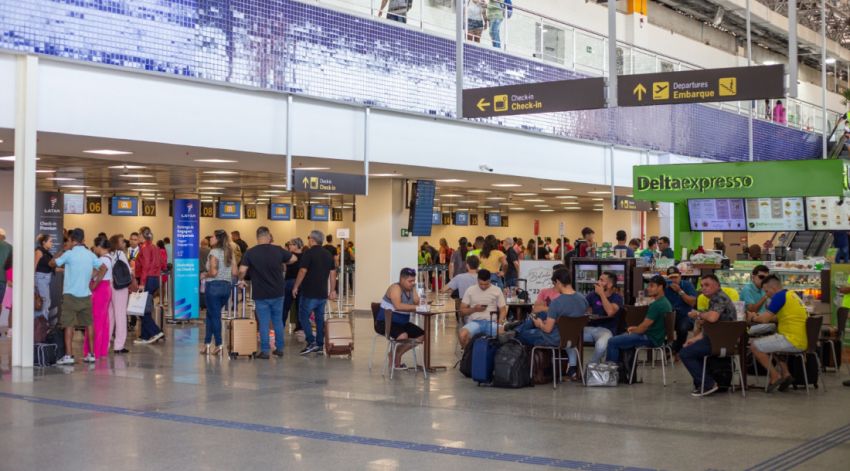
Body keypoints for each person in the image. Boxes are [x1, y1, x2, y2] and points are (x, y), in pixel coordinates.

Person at [511, 268, 588, 378]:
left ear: (558, 282)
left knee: (522, 334)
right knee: (534, 322)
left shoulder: (556, 303)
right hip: (573, 339)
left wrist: (539, 324)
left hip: (554, 339)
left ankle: (523, 371)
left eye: (554, 284)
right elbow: (573, 317)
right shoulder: (582, 299)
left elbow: (547, 329)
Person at [237, 227, 296, 359]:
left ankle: (264, 350)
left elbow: (242, 270)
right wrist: (281, 260)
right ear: (269, 236)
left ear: (257, 237)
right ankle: (279, 348)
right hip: (278, 292)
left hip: (260, 293)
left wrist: (241, 279)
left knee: (263, 322)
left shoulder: (250, 252)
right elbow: (293, 259)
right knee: (278, 322)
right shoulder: (278, 249)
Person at [50, 228, 104, 365]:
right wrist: (95, 283)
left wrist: (62, 249)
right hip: (86, 295)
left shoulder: (69, 254)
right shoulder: (90, 254)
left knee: (69, 325)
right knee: (89, 324)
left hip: (70, 295)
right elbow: (103, 268)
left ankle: (68, 356)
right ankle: (91, 354)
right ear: (84, 240)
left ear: (72, 240)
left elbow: (51, 263)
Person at [678, 274, 738, 397]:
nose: (704, 288)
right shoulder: (715, 299)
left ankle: (708, 383)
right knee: (690, 348)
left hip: (720, 342)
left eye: (707, 285)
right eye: (702, 286)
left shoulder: (719, 298)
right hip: (719, 339)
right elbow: (713, 327)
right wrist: (695, 338)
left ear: (717, 285)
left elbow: (712, 318)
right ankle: (703, 382)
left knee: (685, 354)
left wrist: (698, 314)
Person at [749, 275, 809, 392]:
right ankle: (786, 374)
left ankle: (775, 376)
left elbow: (764, 320)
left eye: (766, 291)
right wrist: (762, 317)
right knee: (771, 342)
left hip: (792, 340)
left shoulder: (779, 297)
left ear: (773, 288)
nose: (766, 295)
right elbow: (777, 318)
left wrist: (752, 318)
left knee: (754, 346)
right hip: (801, 338)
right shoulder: (791, 294)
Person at [605, 275, 672, 364]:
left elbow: (643, 328)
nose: (648, 288)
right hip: (657, 337)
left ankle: (610, 373)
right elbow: (645, 326)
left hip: (650, 338)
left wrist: (634, 330)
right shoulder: (665, 302)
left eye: (652, 286)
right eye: (648, 286)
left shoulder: (657, 305)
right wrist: (635, 329)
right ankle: (624, 371)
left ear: (660, 287)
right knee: (623, 337)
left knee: (612, 341)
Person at [293, 230, 337, 356]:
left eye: (309, 238)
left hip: (309, 292)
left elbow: (302, 271)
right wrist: (333, 290)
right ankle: (319, 344)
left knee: (303, 316)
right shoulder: (328, 254)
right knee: (319, 318)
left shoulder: (309, 253)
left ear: (312, 240)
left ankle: (311, 342)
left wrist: (296, 286)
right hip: (322, 293)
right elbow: (333, 273)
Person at [377, 268, 426, 368]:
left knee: (422, 335)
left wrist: (419, 296)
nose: (412, 283)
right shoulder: (395, 288)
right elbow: (398, 306)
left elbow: (417, 301)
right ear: (402, 280)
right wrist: (418, 307)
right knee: (403, 336)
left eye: (414, 281)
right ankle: (393, 356)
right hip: (386, 322)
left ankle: (397, 354)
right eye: (410, 281)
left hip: (402, 323)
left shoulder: (411, 288)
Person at [201, 230, 239, 355]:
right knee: (211, 315)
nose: (210, 238)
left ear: (217, 239)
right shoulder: (229, 252)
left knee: (215, 316)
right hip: (226, 287)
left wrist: (203, 275)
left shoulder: (214, 252)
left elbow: (213, 272)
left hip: (214, 287)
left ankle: (219, 344)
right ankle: (206, 344)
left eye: (212, 236)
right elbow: (234, 272)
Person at [458, 269, 507, 347]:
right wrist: (474, 309)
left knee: (505, 335)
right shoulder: (470, 290)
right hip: (474, 322)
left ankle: (498, 357)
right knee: (462, 335)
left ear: (490, 280)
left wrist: (500, 321)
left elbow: (503, 310)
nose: (483, 286)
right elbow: (462, 311)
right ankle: (468, 356)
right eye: (481, 284)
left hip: (491, 322)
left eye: (486, 284)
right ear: (477, 280)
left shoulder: (497, 290)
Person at [133, 226, 165, 345]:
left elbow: (146, 266)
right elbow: (162, 263)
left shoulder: (145, 248)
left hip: (148, 279)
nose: (138, 236)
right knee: (145, 307)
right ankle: (145, 335)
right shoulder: (154, 247)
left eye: (139, 234)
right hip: (154, 279)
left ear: (142, 235)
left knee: (141, 309)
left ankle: (155, 332)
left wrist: (142, 282)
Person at [584, 271, 624, 364]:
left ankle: (591, 366)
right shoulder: (592, 295)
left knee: (601, 345)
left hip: (606, 330)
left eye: (601, 280)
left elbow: (610, 312)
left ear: (609, 285)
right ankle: (573, 369)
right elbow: (582, 308)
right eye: (599, 279)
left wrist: (602, 294)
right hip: (589, 328)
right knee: (570, 337)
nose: (598, 282)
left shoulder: (616, 298)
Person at [83, 236, 113, 359]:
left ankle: (93, 350)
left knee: (94, 321)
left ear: (99, 246)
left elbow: (98, 272)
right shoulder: (109, 258)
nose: (94, 249)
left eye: (95, 246)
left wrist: (93, 285)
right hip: (106, 289)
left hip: (100, 289)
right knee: (103, 321)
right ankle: (101, 350)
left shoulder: (102, 260)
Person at [664, 267, 697, 355]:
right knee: (655, 326)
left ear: (680, 276)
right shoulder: (665, 287)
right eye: (671, 278)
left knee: (682, 329)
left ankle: (676, 349)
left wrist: (680, 291)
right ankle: (669, 346)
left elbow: (692, 302)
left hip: (685, 315)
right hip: (668, 315)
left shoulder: (687, 285)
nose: (673, 280)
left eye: (676, 277)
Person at [107, 234, 131, 354]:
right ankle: (119, 345)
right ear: (117, 243)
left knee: (110, 315)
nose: (124, 243)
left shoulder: (108, 254)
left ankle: (105, 343)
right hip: (120, 286)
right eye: (122, 241)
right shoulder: (120, 254)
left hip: (109, 285)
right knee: (120, 314)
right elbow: (128, 270)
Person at [284, 238, 305, 337]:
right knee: (300, 306)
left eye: (291, 244)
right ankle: (300, 328)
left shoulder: (290, 256)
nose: (289, 246)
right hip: (302, 283)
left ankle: (281, 325)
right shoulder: (306, 256)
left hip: (290, 283)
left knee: (285, 306)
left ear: (297, 246)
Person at [34, 234, 55, 320]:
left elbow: (51, 267)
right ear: (44, 242)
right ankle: (40, 326)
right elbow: (34, 266)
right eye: (50, 241)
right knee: (44, 302)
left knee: (44, 302)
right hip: (41, 279)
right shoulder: (39, 251)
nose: (52, 243)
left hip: (45, 279)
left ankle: (40, 326)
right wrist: (33, 281)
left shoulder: (47, 253)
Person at [0, 228, 11, 308]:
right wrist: (10, 280)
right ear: (4, 237)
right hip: (2, 279)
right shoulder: (9, 247)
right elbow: (10, 265)